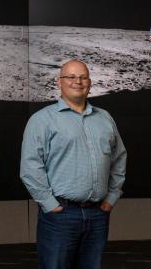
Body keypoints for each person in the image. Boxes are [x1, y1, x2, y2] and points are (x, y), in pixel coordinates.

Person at [20, 59, 127, 269]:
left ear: (89, 82)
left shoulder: (104, 118)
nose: (77, 81)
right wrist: (50, 205)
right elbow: (31, 167)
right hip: (61, 216)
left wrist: (112, 197)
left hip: (98, 214)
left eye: (83, 77)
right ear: (59, 82)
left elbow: (119, 158)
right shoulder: (42, 120)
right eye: (70, 77)